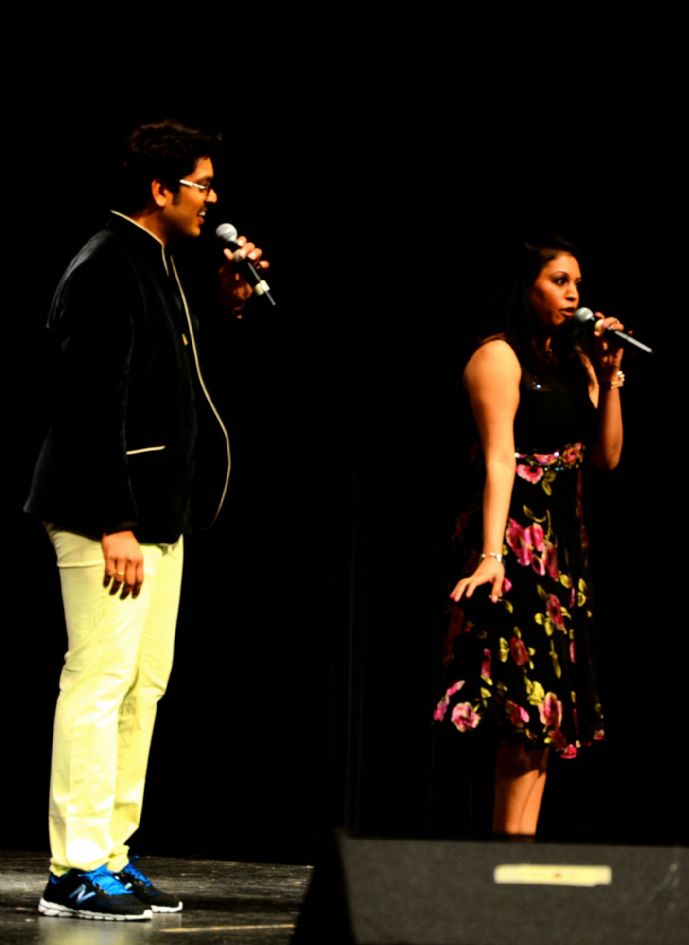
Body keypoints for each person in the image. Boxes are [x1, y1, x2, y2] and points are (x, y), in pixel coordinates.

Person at [25, 119, 269, 921]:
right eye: (202, 184)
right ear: (161, 188)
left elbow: (178, 384)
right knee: (97, 680)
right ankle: (72, 867)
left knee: (143, 686)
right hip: (108, 515)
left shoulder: (158, 263)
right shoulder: (105, 264)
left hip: (159, 514)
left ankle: (110, 852)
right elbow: (86, 403)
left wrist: (229, 304)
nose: (212, 199)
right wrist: (113, 521)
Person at [434, 237, 624, 838]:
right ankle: (504, 855)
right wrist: (491, 555)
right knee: (522, 710)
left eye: (577, 283)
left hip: (563, 553)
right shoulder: (498, 357)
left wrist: (612, 378)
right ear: (526, 286)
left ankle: (518, 852)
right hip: (515, 545)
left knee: (547, 720)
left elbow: (606, 457)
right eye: (559, 281)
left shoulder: (578, 362)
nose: (573, 294)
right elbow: (499, 460)